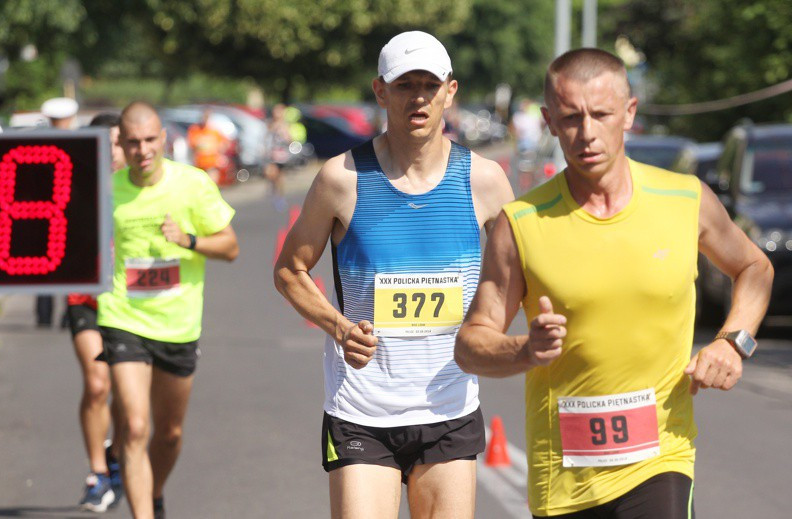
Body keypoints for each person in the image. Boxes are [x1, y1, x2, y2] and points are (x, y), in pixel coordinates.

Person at [455, 48, 774, 518]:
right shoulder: (521, 224)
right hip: (564, 476)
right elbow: (470, 345)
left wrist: (733, 342)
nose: (587, 133)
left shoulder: (684, 200)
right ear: (548, 121)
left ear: (629, 113)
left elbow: (754, 268)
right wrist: (525, 351)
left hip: (661, 458)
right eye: (570, 118)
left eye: (601, 114)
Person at [274, 31, 513, 518]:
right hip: (361, 411)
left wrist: (490, 328)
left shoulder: (484, 180)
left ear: (451, 90)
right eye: (405, 85)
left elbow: (522, 273)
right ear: (381, 91)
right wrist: (340, 328)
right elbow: (290, 270)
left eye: (430, 84)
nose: (419, 96)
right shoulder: (341, 178)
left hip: (449, 407)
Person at [97, 101, 239, 519]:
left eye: (149, 140)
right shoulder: (107, 189)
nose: (142, 150)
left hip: (178, 323)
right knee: (136, 426)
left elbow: (230, 247)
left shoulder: (192, 185)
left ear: (163, 139)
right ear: (121, 144)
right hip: (122, 316)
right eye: (133, 142)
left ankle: (153, 492)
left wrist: (189, 241)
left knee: (170, 433)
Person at [70, 112, 127, 512]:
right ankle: (98, 474)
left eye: (117, 143)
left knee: (128, 395)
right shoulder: (72, 185)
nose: (110, 152)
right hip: (84, 299)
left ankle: (117, 453)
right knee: (96, 383)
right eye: (101, 143)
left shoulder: (142, 189)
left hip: (130, 305)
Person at [35, 97, 80, 327]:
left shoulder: (39, 142)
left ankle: (61, 315)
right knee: (48, 266)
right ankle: (48, 314)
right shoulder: (78, 144)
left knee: (61, 265)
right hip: (46, 213)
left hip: (57, 213)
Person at [186, 108, 230, 183]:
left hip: (212, 164)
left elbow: (225, 143)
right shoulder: (195, 130)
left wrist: (220, 153)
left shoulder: (214, 131)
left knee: (212, 185)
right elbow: (192, 144)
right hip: (199, 164)